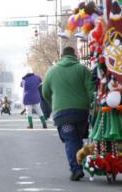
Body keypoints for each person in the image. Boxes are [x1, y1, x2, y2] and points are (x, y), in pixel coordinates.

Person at [42, 46, 94, 181]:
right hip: (82, 112)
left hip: (62, 114)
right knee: (78, 139)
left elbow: (45, 92)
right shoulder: (83, 69)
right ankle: (82, 164)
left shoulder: (51, 72)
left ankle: (76, 169)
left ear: (61, 56)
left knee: (71, 140)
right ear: (75, 55)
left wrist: (54, 103)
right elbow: (91, 90)